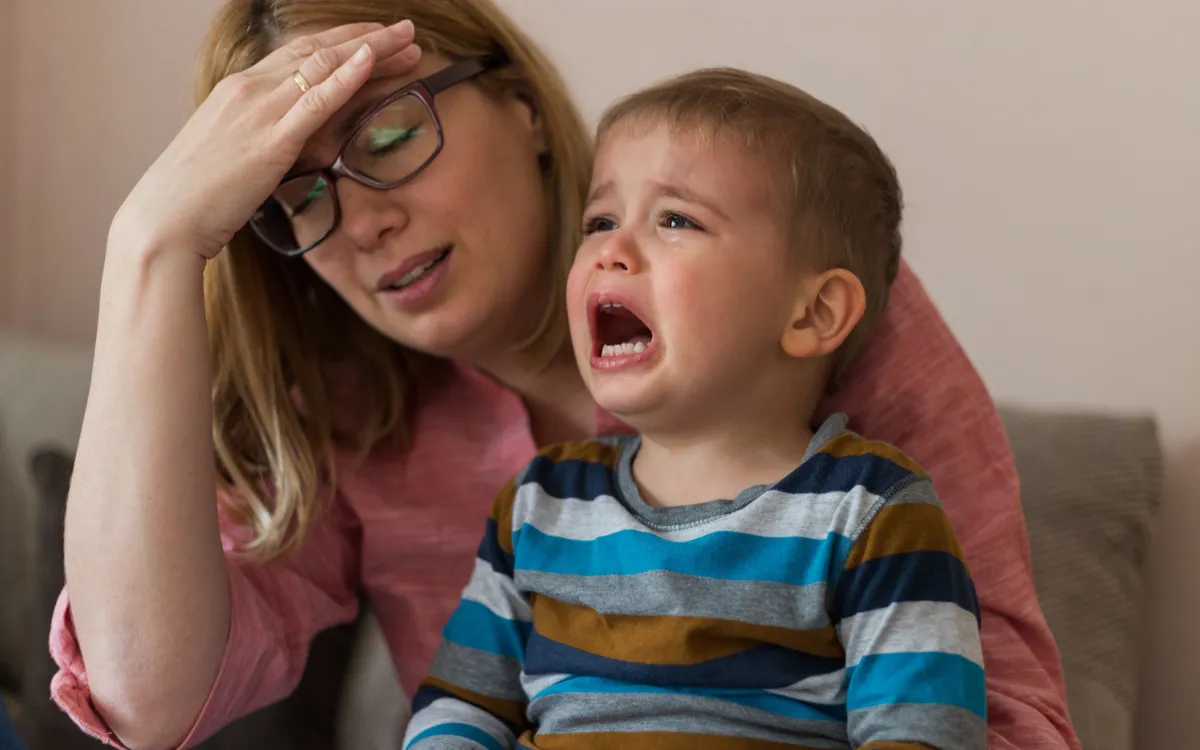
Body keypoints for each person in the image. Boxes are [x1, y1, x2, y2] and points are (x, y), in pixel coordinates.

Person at [51, 1, 1077, 749]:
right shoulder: (357, 419)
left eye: (393, 134)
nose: (362, 220)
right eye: (297, 197)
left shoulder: (804, 310)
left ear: (522, 110)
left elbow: (1009, 724)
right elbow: (146, 700)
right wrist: (151, 245)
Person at [403, 67, 986, 750]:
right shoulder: (541, 504)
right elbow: (459, 706)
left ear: (813, 313)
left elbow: (925, 734)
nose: (609, 253)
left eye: (675, 219)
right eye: (600, 220)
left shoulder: (872, 514)